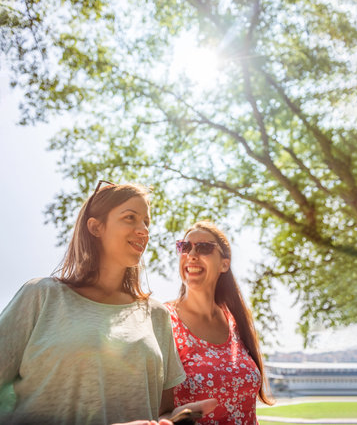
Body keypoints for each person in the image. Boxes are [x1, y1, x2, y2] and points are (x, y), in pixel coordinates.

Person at [0, 182, 216, 425]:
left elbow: (162, 410)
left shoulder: (156, 314)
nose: (143, 230)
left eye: (146, 222)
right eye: (130, 218)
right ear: (95, 227)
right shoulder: (40, 296)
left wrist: (175, 419)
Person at [165, 221, 274, 425]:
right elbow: (159, 412)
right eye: (184, 247)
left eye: (204, 247)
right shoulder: (163, 319)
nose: (191, 254)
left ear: (224, 264)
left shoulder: (235, 319)